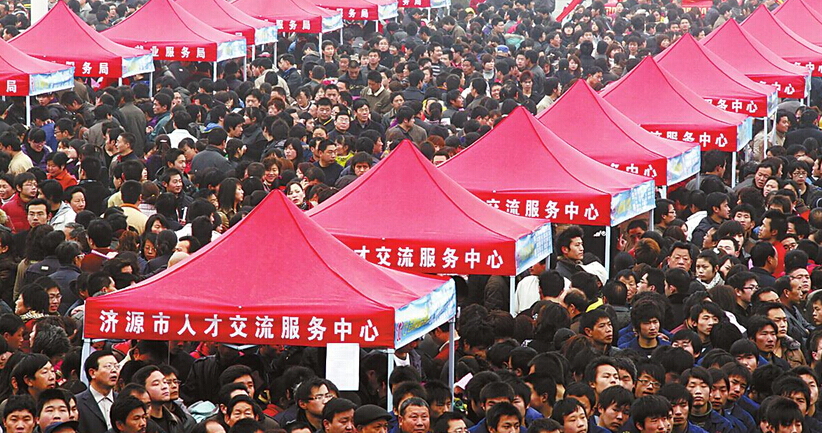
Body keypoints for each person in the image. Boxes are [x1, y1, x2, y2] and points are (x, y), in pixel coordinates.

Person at [77, 349, 119, 433]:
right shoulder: (77, 403)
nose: (114, 370)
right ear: (92, 373)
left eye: (117, 366)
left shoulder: (122, 399)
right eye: (108, 366)